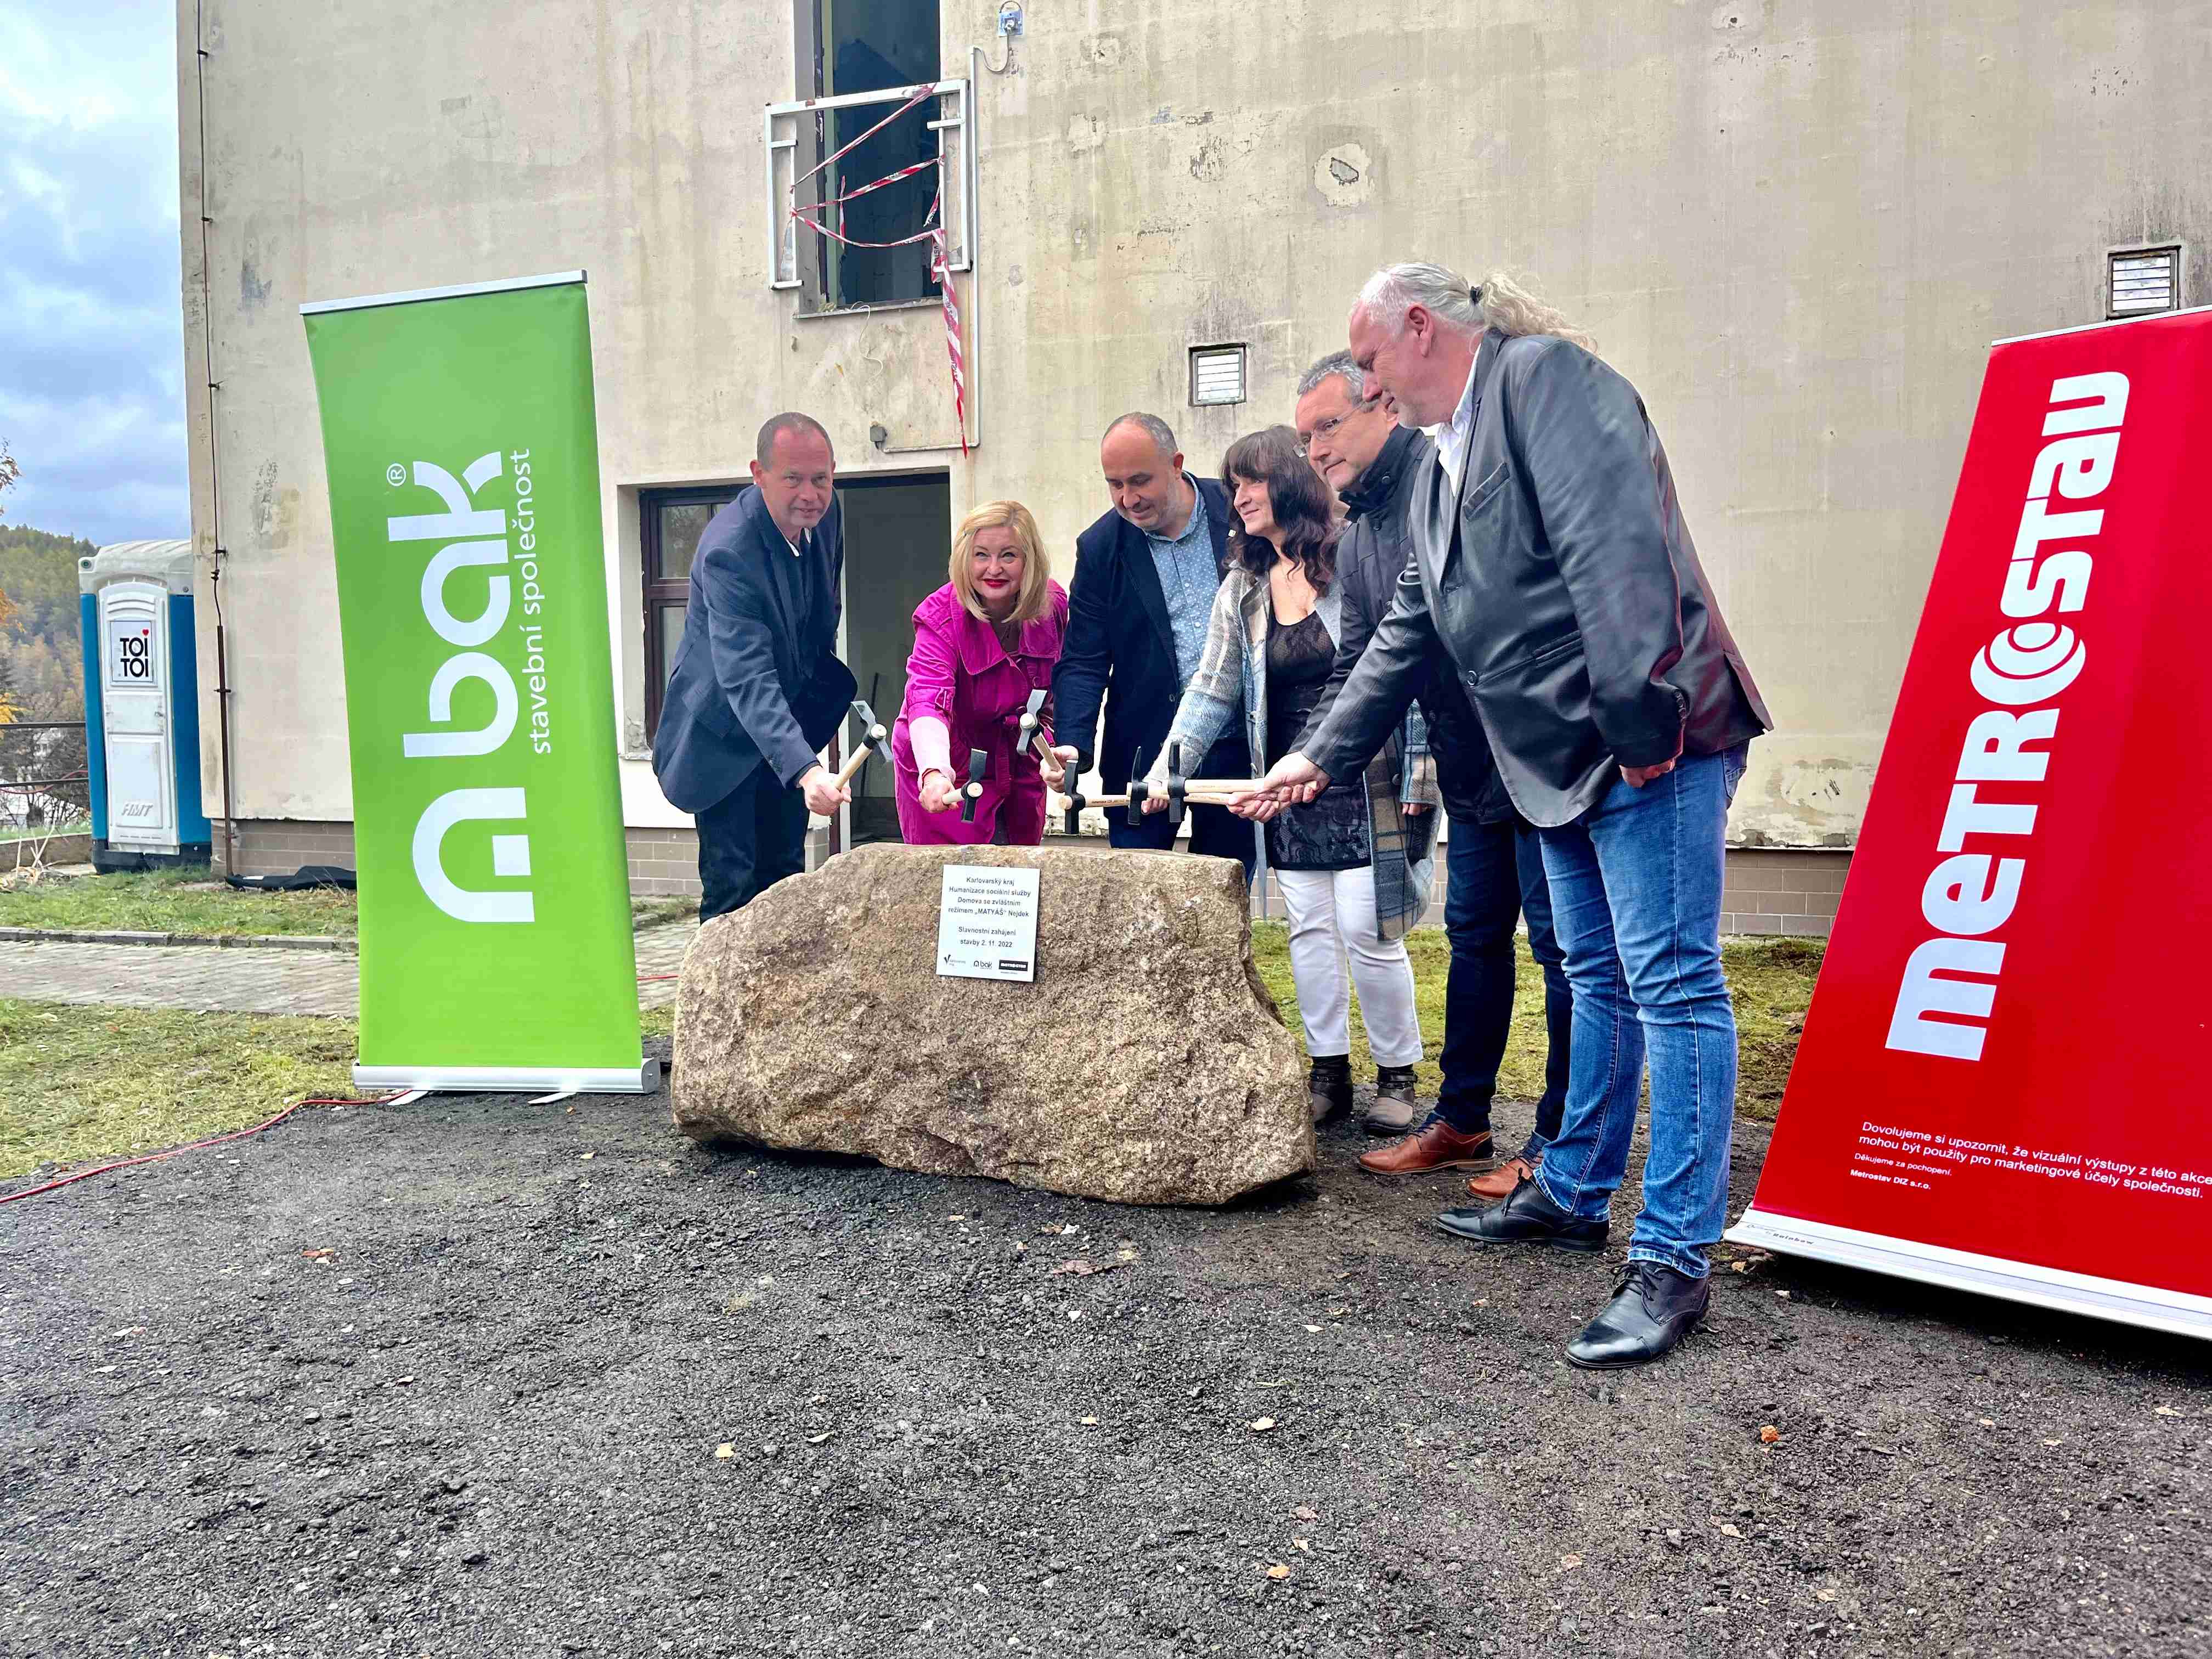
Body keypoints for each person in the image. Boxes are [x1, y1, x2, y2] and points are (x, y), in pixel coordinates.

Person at [1243, 264, 1771, 1368]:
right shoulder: (1441, 465)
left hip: (1641, 749)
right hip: (1559, 770)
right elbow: (1403, 638)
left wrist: (1640, 734)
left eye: (1372, 364)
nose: (1368, 386)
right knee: (1597, 974)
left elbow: (1619, 558)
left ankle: (1674, 1260)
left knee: (1673, 986)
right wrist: (1314, 757)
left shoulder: (1547, 384)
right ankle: (1574, 1191)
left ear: (1421, 330)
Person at [1291, 350, 1576, 1168]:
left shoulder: (1439, 481)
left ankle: (1558, 1146)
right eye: (1306, 435)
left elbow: (1416, 638)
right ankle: (1463, 1122)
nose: (1315, 451)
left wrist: (1321, 759)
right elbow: (1360, 662)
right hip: (1472, 765)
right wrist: (1309, 759)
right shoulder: (1358, 534)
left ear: (1382, 404)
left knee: (1564, 952)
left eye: (1329, 426)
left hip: (1541, 755)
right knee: (1473, 936)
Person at [1142, 426, 1429, 1127]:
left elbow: (1409, 675)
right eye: (1233, 483)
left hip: (1370, 782)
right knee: (1308, 928)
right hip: (1287, 790)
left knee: (1369, 929)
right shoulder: (1241, 587)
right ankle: (1327, 1071)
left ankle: (1398, 1077)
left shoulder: (1354, 559)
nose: (1236, 496)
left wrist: (1424, 783)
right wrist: (1165, 771)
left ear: (1293, 483)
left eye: (1251, 481)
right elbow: (1210, 691)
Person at [652, 413, 856, 922]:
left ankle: (780, 1003)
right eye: (793, 479)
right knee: (733, 886)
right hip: (722, 736)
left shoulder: (828, 518)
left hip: (782, 725)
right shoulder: (729, 551)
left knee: (785, 877)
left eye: (821, 479)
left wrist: (796, 744)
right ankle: (711, 1002)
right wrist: (806, 768)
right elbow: (746, 675)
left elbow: (818, 615)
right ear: (759, 474)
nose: (810, 494)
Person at [1051, 414, 1257, 880]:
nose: (1128, 499)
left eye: (1140, 481)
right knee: (1136, 897)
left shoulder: (1240, 510)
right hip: (1140, 756)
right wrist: (1072, 743)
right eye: (1115, 485)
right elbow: (1083, 660)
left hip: (1235, 750)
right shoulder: (1101, 546)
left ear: (1176, 464)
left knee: (1225, 895)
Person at [891, 500, 1075, 844]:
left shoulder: (1053, 606)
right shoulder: (939, 615)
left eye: (1008, 555)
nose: (994, 569)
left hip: (1019, 758)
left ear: (1030, 560)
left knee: (1018, 878)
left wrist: (1059, 750)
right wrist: (933, 769)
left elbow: (1061, 689)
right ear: (965, 559)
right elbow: (927, 698)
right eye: (981, 555)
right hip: (950, 766)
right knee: (951, 882)